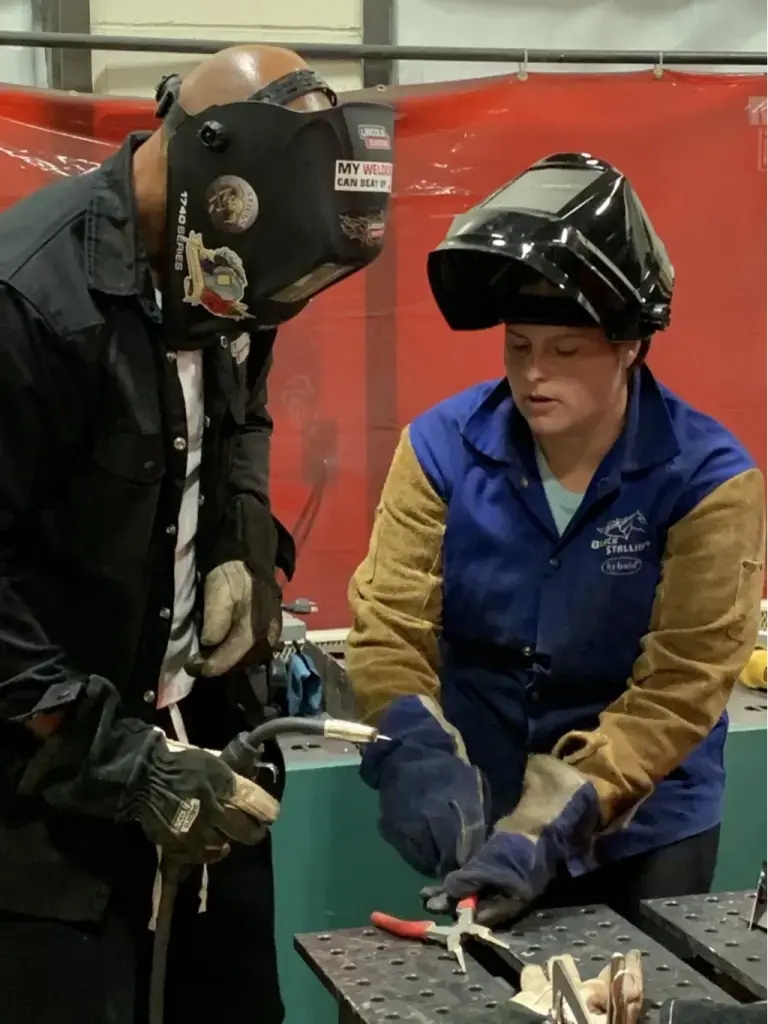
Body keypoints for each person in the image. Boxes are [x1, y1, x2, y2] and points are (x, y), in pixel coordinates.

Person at [0, 43, 394, 1024]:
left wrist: (243, 541)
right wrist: (117, 759)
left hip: (207, 770)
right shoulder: (30, 304)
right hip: (53, 820)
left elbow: (241, 418)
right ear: (202, 175)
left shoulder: (233, 270)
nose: (249, 319)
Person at [347, 152, 765, 928]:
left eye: (566, 352)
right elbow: (389, 624)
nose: (534, 375)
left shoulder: (710, 481)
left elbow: (682, 686)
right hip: (484, 811)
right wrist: (413, 744)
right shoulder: (440, 447)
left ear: (631, 345)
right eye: (518, 346)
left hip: (646, 832)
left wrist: (558, 812)